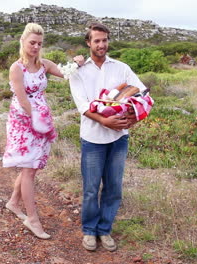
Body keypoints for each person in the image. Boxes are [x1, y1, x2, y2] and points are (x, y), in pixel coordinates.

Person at [69, 22, 147, 251]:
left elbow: (140, 91)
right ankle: (90, 231)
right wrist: (104, 120)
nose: (101, 44)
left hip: (118, 138)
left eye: (104, 40)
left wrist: (133, 117)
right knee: (92, 188)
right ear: (88, 43)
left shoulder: (121, 68)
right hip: (93, 138)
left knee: (114, 187)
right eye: (96, 41)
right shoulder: (79, 71)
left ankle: (105, 230)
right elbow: (82, 104)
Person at [2, 23, 64, 239]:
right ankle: (32, 219)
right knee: (29, 168)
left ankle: (13, 202)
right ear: (23, 41)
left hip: (41, 119)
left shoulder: (45, 65)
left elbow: (67, 73)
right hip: (24, 121)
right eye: (32, 43)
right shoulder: (16, 68)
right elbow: (22, 99)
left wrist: (78, 64)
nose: (36, 47)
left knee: (33, 167)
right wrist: (37, 121)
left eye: (39, 43)